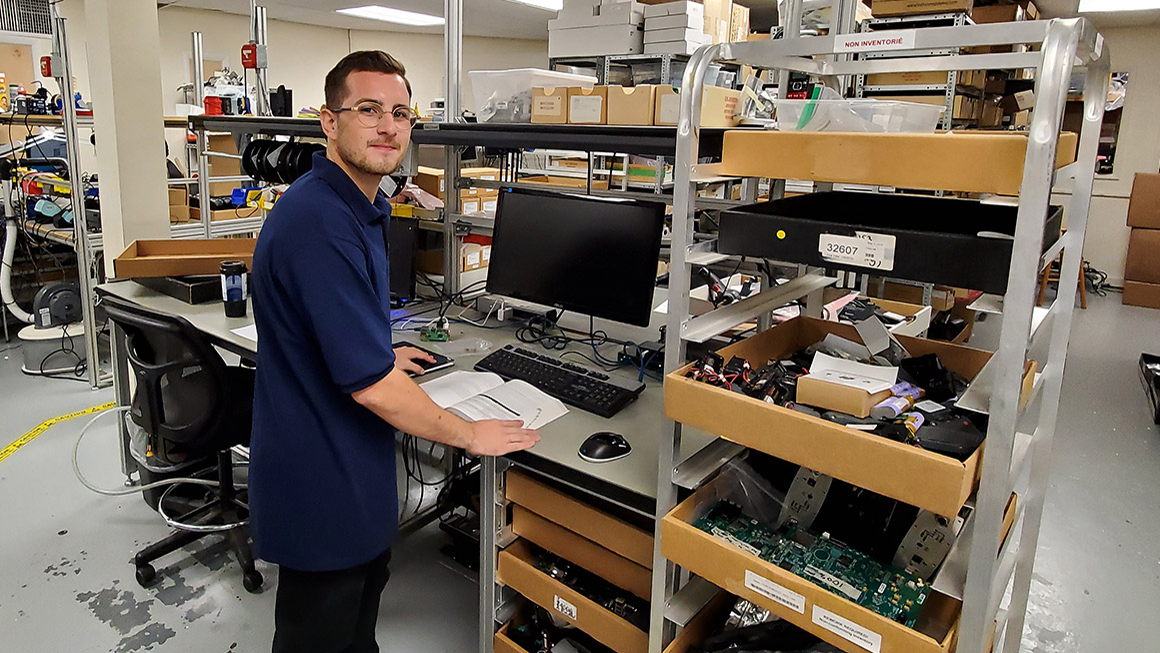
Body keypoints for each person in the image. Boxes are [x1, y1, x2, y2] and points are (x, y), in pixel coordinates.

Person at [248, 51, 540, 653]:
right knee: (321, 635)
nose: (388, 125)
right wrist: (467, 433)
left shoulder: (357, 206)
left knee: (357, 627)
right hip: (321, 474)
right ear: (329, 122)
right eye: (368, 110)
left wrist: (377, 348)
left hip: (347, 459)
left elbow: (332, 330)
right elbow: (372, 388)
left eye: (401, 112)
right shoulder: (320, 223)